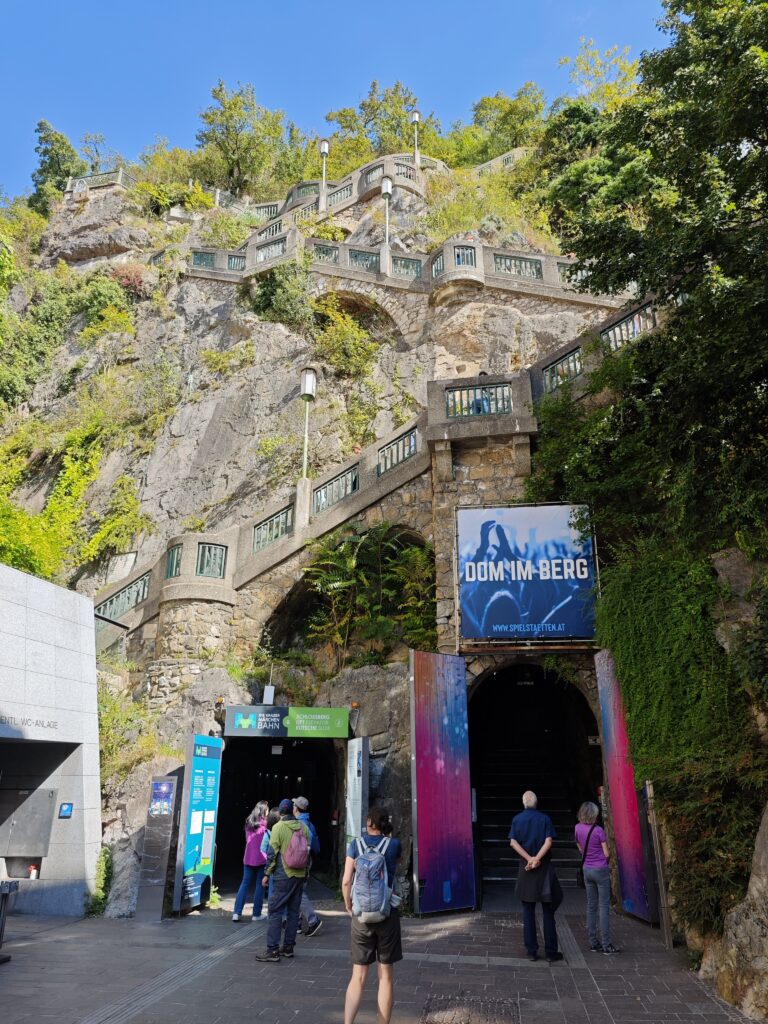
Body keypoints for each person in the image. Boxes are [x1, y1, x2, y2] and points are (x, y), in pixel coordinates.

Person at [342, 807, 403, 1024]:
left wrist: (349, 906)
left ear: (368, 822)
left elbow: (347, 881)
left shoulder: (355, 845)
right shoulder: (394, 845)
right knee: (385, 976)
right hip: (387, 914)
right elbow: (396, 868)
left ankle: (348, 1022)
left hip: (361, 917)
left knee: (357, 976)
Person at [509, 790, 564, 963]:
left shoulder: (517, 819)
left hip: (526, 869)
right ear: (536, 802)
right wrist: (537, 859)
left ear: (524, 803)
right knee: (548, 911)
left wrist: (529, 859)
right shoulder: (545, 819)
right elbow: (549, 841)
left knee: (528, 910)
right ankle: (550, 952)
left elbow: (513, 842)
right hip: (544, 868)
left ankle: (531, 951)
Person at [254, 798, 311, 962]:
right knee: (293, 913)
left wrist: (266, 874)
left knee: (275, 911)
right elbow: (308, 853)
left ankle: (272, 950)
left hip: (283, 875)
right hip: (299, 875)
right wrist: (306, 873)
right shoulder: (303, 827)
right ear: (292, 811)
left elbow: (272, 854)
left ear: (281, 812)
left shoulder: (278, 828)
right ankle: (288, 948)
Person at [575, 801, 619, 955]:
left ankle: (593, 943)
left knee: (591, 906)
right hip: (600, 870)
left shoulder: (577, 828)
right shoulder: (599, 830)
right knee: (604, 907)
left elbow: (580, 847)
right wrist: (603, 862)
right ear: (594, 814)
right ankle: (607, 944)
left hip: (587, 869)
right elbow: (607, 853)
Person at [232, 800, 268, 922]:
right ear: (264, 811)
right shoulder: (266, 826)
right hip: (262, 860)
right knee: (260, 886)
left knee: (244, 884)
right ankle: (256, 914)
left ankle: (236, 913)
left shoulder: (249, 823)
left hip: (248, 859)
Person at [292, 796, 323, 937]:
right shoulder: (309, 823)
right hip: (306, 861)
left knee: (298, 892)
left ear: (297, 808)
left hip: (299, 861)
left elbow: (309, 840)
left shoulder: (300, 824)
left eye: (294, 805)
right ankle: (297, 923)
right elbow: (316, 846)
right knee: (298, 890)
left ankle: (313, 920)